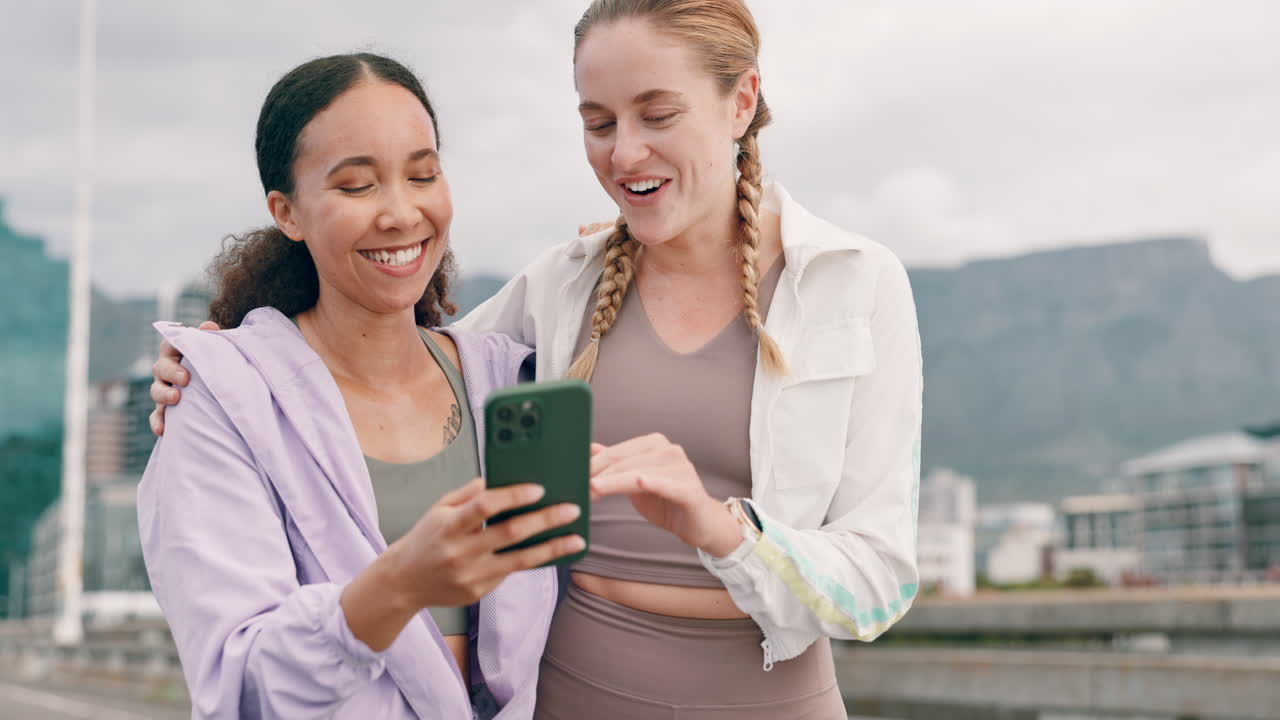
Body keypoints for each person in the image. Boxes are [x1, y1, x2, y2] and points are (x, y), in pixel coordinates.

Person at [150, 1, 923, 717]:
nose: (625, 151)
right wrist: (221, 362)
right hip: (567, 694)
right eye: (598, 121)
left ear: (742, 101)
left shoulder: (853, 285)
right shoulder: (561, 287)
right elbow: (386, 352)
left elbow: (881, 586)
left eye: (658, 114)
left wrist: (721, 531)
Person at [138, 53, 585, 720]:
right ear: (286, 213)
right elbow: (240, 685)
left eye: (423, 174)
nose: (402, 213)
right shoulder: (221, 401)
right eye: (356, 186)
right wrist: (397, 587)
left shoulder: (512, 381)